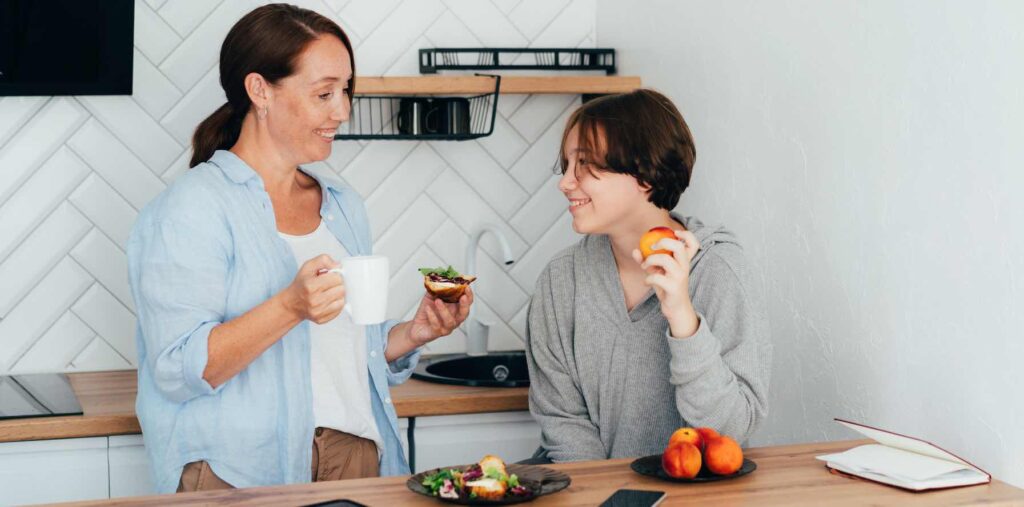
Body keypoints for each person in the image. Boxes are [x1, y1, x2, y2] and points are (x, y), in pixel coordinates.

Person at [126, 4, 472, 493]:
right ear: (260, 90)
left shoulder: (342, 205)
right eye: (324, 93)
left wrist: (412, 334)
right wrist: (290, 306)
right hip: (237, 470)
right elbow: (177, 369)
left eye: (346, 90)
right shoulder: (192, 208)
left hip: (354, 457)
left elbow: (342, 350)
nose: (343, 110)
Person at [524, 89, 771, 463]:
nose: (566, 182)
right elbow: (563, 423)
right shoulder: (561, 281)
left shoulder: (718, 271)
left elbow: (730, 431)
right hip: (588, 493)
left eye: (586, 164)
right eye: (567, 164)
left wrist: (683, 320)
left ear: (644, 174)